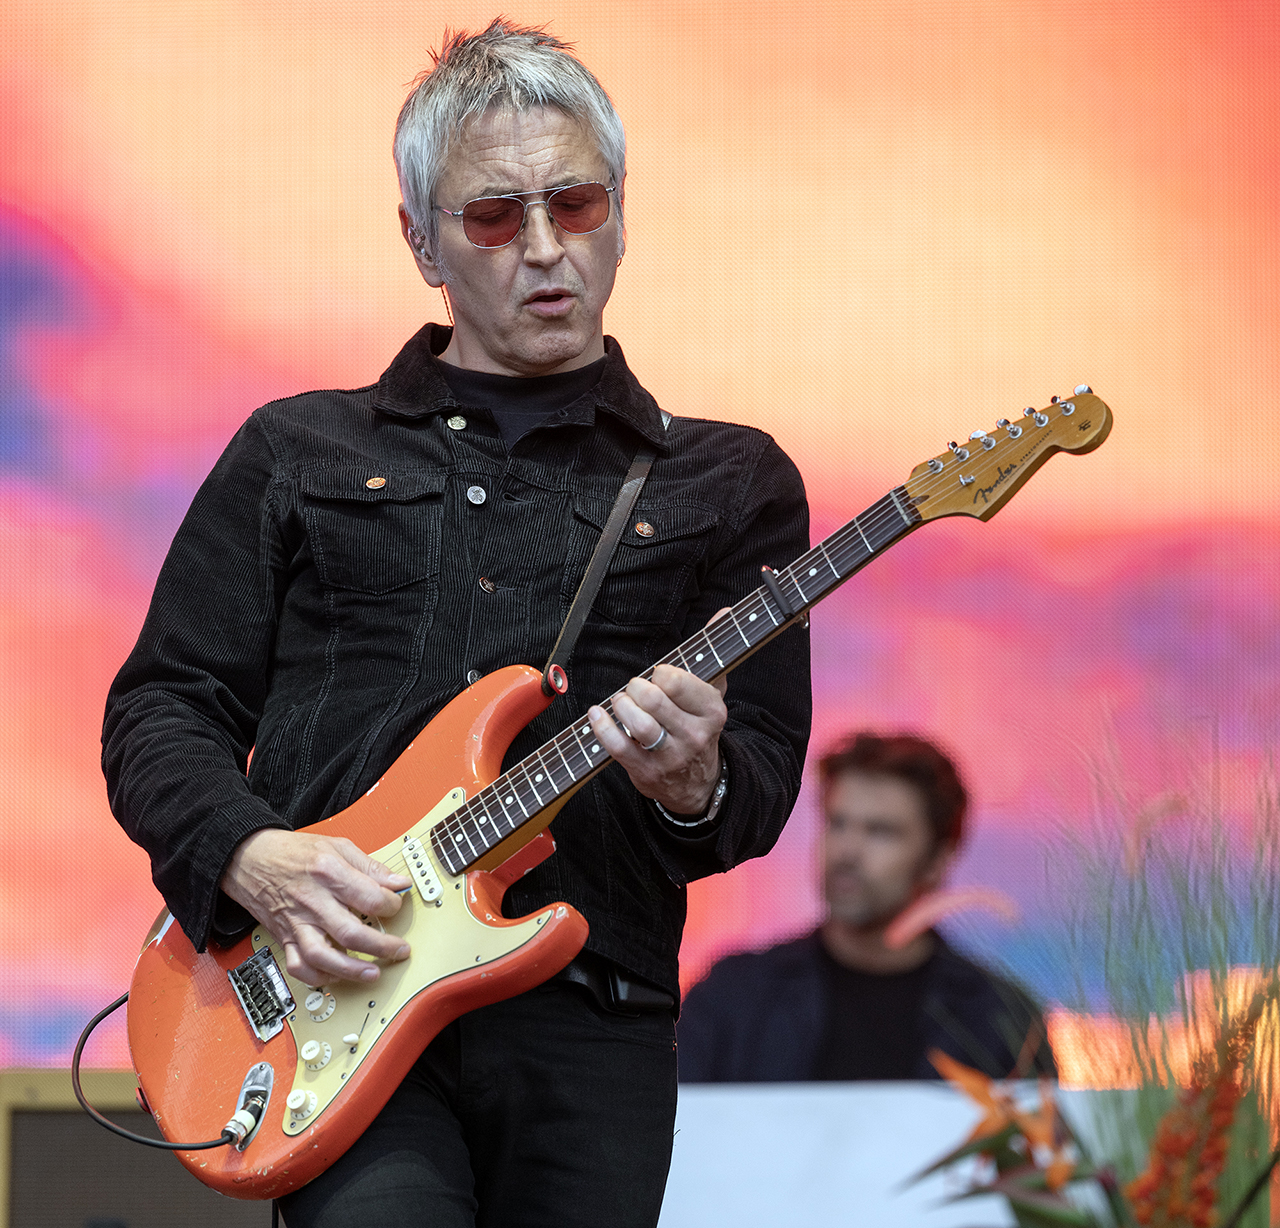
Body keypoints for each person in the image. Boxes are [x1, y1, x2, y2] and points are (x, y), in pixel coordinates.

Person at [100, 20, 810, 1228]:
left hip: (594, 1016)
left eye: (575, 205)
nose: (544, 249)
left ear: (620, 212)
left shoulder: (727, 484)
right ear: (420, 238)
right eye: (493, 217)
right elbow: (162, 707)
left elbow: (750, 791)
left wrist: (691, 779)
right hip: (338, 996)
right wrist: (248, 858)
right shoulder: (296, 448)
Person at [677, 732, 1055, 1082]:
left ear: (939, 858)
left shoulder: (1003, 1018)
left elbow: (1042, 1150)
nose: (847, 851)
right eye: (837, 823)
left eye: (880, 831)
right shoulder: (732, 997)